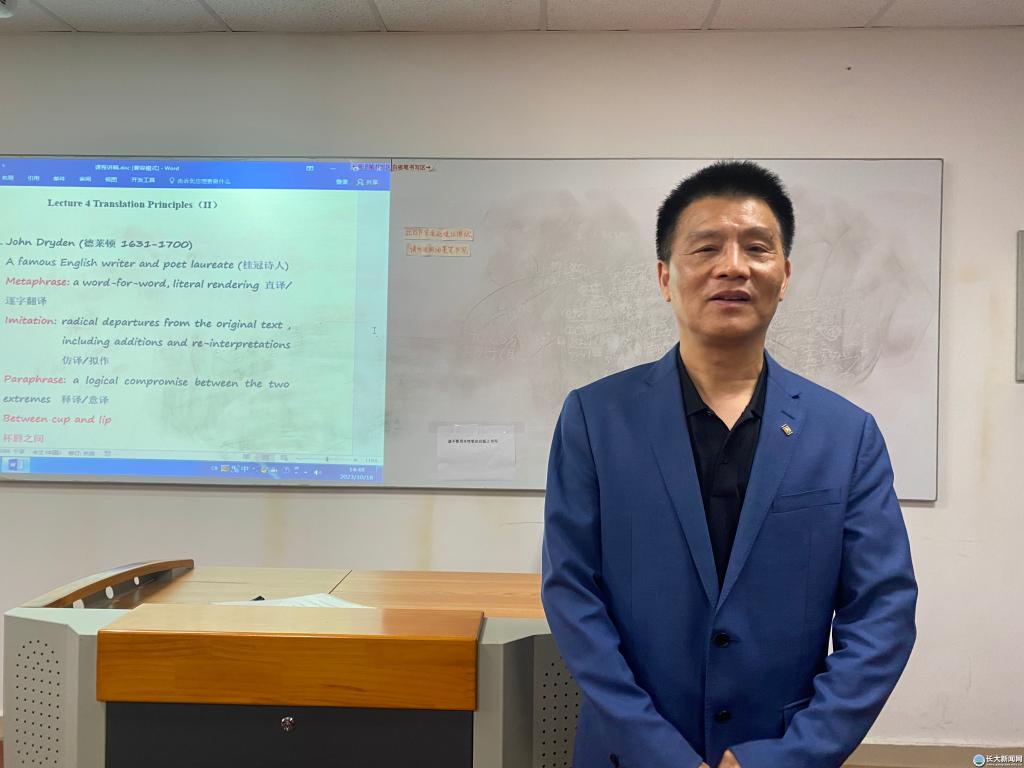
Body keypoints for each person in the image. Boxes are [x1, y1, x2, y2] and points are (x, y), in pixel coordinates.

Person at [541, 161, 917, 768]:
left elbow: (882, 614)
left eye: (757, 248)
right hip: (628, 754)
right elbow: (572, 594)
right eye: (706, 247)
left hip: (780, 749)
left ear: (784, 276)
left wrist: (789, 756)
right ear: (665, 277)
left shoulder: (847, 436)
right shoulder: (595, 418)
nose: (733, 266)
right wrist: (658, 753)